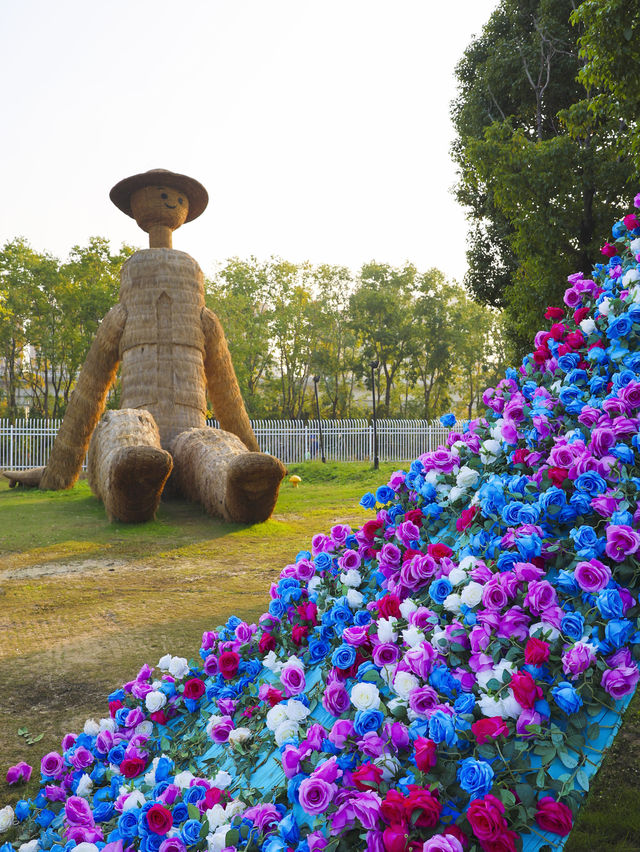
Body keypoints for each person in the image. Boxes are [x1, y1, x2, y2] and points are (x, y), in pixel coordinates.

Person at [5, 169, 285, 524]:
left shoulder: (203, 319)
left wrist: (253, 455)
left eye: (176, 197)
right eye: (160, 194)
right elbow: (88, 395)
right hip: (139, 419)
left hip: (188, 431)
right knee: (126, 434)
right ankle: (131, 490)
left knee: (211, 444)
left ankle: (244, 489)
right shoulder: (122, 314)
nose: (169, 201)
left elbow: (229, 398)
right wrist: (57, 473)